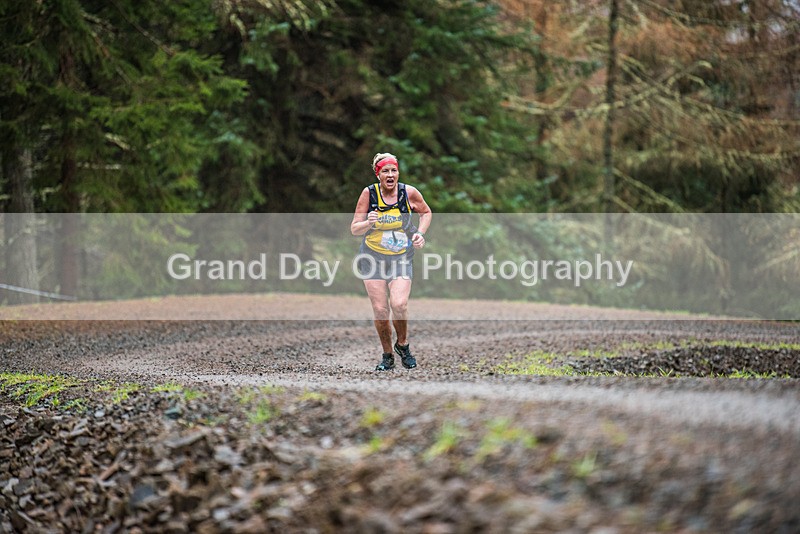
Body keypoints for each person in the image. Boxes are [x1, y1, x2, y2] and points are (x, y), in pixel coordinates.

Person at [350, 152, 432, 371]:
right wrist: (368, 222)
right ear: (378, 174)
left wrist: (420, 234)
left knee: (399, 304)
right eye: (385, 171)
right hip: (372, 257)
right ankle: (387, 355)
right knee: (380, 310)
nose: (390, 174)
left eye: (393, 170)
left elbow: (425, 212)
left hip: (401, 257)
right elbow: (354, 228)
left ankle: (402, 344)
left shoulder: (409, 192)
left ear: (398, 172)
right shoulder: (369, 194)